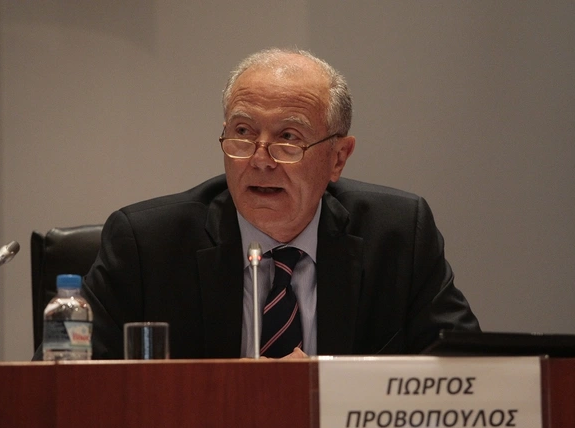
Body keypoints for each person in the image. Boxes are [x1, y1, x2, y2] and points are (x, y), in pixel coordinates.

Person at [61, 48, 480, 360]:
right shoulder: (146, 246)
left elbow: (468, 374)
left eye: (288, 138)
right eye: (243, 132)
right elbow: (65, 391)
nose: (260, 160)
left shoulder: (398, 236)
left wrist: (326, 390)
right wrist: (230, 397)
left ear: (338, 157)